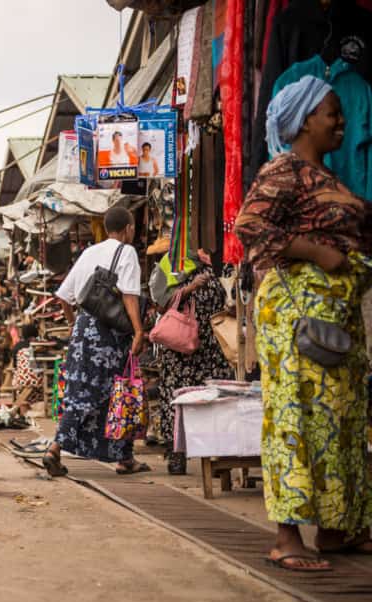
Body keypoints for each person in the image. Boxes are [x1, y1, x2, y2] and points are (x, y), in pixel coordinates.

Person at [235, 77, 372, 572]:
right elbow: (248, 225)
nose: (341, 121)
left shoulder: (328, 176)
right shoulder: (284, 171)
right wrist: (317, 252)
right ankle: (286, 537)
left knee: (342, 417)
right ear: (305, 120)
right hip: (295, 312)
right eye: (331, 112)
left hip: (336, 312)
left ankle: (338, 530)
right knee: (295, 418)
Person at [42, 206, 149, 477]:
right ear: (128, 229)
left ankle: (124, 457)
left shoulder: (90, 252)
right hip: (109, 334)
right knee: (114, 392)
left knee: (84, 390)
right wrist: (138, 331)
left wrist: (72, 324)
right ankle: (55, 448)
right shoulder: (127, 252)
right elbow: (129, 296)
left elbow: (64, 297)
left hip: (82, 328)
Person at [149, 249, 233, 470]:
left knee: (214, 398)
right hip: (180, 347)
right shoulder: (172, 263)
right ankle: (177, 454)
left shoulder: (223, 263)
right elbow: (160, 303)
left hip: (213, 344)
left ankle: (216, 460)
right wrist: (190, 287)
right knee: (178, 398)